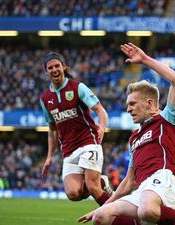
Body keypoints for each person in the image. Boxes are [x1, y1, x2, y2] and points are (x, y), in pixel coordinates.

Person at [78, 43, 175, 225]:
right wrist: (101, 207)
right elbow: (128, 181)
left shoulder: (168, 119)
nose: (128, 109)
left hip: (163, 181)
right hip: (143, 190)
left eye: (132, 104)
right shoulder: (134, 138)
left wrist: (144, 60)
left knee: (147, 209)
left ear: (150, 104)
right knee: (101, 218)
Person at [40, 52, 112, 204]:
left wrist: (102, 126)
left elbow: (100, 109)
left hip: (88, 143)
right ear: (46, 72)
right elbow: (52, 128)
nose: (54, 70)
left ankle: (119, 218)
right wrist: (49, 156)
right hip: (68, 150)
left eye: (57, 66)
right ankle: (103, 183)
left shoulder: (78, 87)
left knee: (93, 187)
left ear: (64, 67)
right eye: (50, 67)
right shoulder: (45, 98)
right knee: (73, 194)